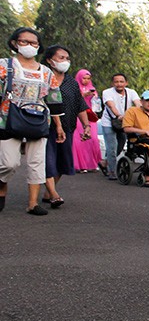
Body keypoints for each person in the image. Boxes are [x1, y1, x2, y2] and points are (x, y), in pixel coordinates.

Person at [0, 27, 63, 215]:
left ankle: (33, 203)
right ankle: (2, 185)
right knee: (9, 163)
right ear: (14, 43)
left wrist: (59, 126)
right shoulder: (5, 65)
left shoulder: (46, 72)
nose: (29, 46)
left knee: (37, 162)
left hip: (38, 120)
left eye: (34, 43)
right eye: (24, 42)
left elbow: (54, 99)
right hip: (8, 119)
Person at [41, 46, 91, 209]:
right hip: (44, 127)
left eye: (67, 58)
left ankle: (49, 191)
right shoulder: (42, 78)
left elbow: (80, 105)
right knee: (48, 160)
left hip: (68, 127)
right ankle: (54, 194)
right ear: (50, 60)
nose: (65, 61)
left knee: (63, 162)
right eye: (61, 58)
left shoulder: (71, 83)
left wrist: (86, 126)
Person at [99, 73, 141, 180]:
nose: (119, 84)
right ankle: (112, 171)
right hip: (109, 122)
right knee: (111, 147)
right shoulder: (107, 92)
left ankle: (105, 162)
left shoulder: (131, 92)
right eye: (116, 82)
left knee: (120, 145)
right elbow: (111, 105)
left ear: (126, 83)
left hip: (124, 123)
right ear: (113, 83)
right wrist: (118, 115)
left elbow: (138, 104)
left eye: (121, 82)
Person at [71, 69, 103, 172]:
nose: (86, 80)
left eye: (88, 78)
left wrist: (94, 97)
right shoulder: (75, 88)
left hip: (90, 115)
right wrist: (83, 95)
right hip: (78, 115)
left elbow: (96, 103)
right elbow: (72, 100)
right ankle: (79, 165)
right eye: (84, 78)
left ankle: (92, 163)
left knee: (93, 139)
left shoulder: (92, 88)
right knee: (79, 140)